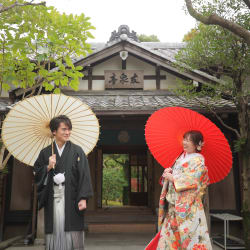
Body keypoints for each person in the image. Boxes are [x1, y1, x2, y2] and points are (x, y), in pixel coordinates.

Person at [34, 115, 93, 250]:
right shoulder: (45, 153)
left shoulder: (77, 151)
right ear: (54, 131)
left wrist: (83, 197)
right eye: (64, 129)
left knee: (72, 231)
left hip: (72, 198)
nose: (68, 132)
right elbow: (36, 174)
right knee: (55, 229)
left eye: (69, 129)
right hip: (53, 198)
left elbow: (84, 175)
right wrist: (48, 167)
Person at [156, 130, 212, 250]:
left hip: (189, 207)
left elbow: (193, 181)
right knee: (170, 238)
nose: (185, 142)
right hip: (174, 205)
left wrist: (173, 178)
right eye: (184, 139)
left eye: (188, 140)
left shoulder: (198, 161)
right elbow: (172, 178)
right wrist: (167, 173)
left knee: (191, 238)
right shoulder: (180, 157)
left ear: (197, 144)